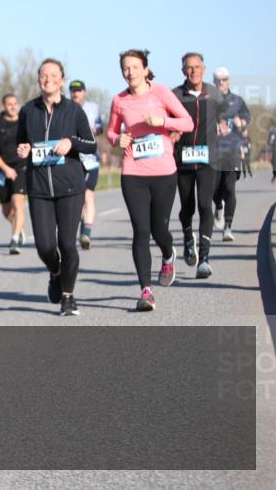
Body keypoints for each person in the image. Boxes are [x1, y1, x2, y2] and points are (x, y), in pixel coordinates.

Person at [107, 50, 192, 311]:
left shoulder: (161, 93)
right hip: (133, 173)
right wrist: (115, 139)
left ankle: (168, 254)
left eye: (134, 67)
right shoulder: (118, 101)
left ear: (145, 69)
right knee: (141, 232)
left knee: (159, 230)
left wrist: (162, 121)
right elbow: (111, 130)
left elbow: (187, 122)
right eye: (125, 68)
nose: (130, 72)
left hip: (164, 172)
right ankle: (146, 291)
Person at [15, 59, 97, 316]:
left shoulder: (73, 111)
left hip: (70, 187)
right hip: (39, 188)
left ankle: (68, 297)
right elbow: (21, 145)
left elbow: (91, 144)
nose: (48, 78)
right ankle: (55, 272)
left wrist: (70, 142)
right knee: (45, 246)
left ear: (62, 80)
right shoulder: (28, 111)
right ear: (39, 80)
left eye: (53, 75)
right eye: (43, 75)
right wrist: (23, 150)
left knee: (67, 244)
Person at [171, 52, 224, 279]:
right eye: (189, 68)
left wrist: (224, 124)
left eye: (197, 67)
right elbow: (167, 121)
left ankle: (204, 258)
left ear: (203, 68)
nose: (193, 71)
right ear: (183, 71)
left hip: (207, 159)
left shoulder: (214, 93)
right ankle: (187, 238)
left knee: (204, 205)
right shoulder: (174, 95)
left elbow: (225, 116)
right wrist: (171, 132)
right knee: (187, 208)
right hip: (182, 159)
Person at [212, 67, 251, 242]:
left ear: (229, 80)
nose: (221, 82)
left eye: (224, 79)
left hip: (232, 151)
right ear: (214, 82)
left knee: (230, 189)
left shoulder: (237, 101)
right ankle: (218, 206)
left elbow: (246, 119)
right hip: (213, 151)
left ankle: (228, 227)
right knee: (214, 190)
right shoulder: (208, 100)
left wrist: (240, 122)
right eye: (218, 80)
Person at [0, 93, 28, 254]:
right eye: (9, 104)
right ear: (3, 106)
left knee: (18, 204)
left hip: (20, 168)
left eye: (15, 103)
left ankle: (15, 239)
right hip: (1, 170)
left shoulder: (24, 123)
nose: (13, 106)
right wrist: (5, 169)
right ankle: (18, 227)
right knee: (6, 210)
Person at [68, 80, 104, 249]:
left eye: (79, 90)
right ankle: (82, 223)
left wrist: (92, 130)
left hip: (90, 159)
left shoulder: (93, 108)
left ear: (84, 92)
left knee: (88, 195)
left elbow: (100, 127)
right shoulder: (64, 108)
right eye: (73, 91)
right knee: (76, 197)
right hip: (72, 159)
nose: (76, 94)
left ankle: (86, 233)